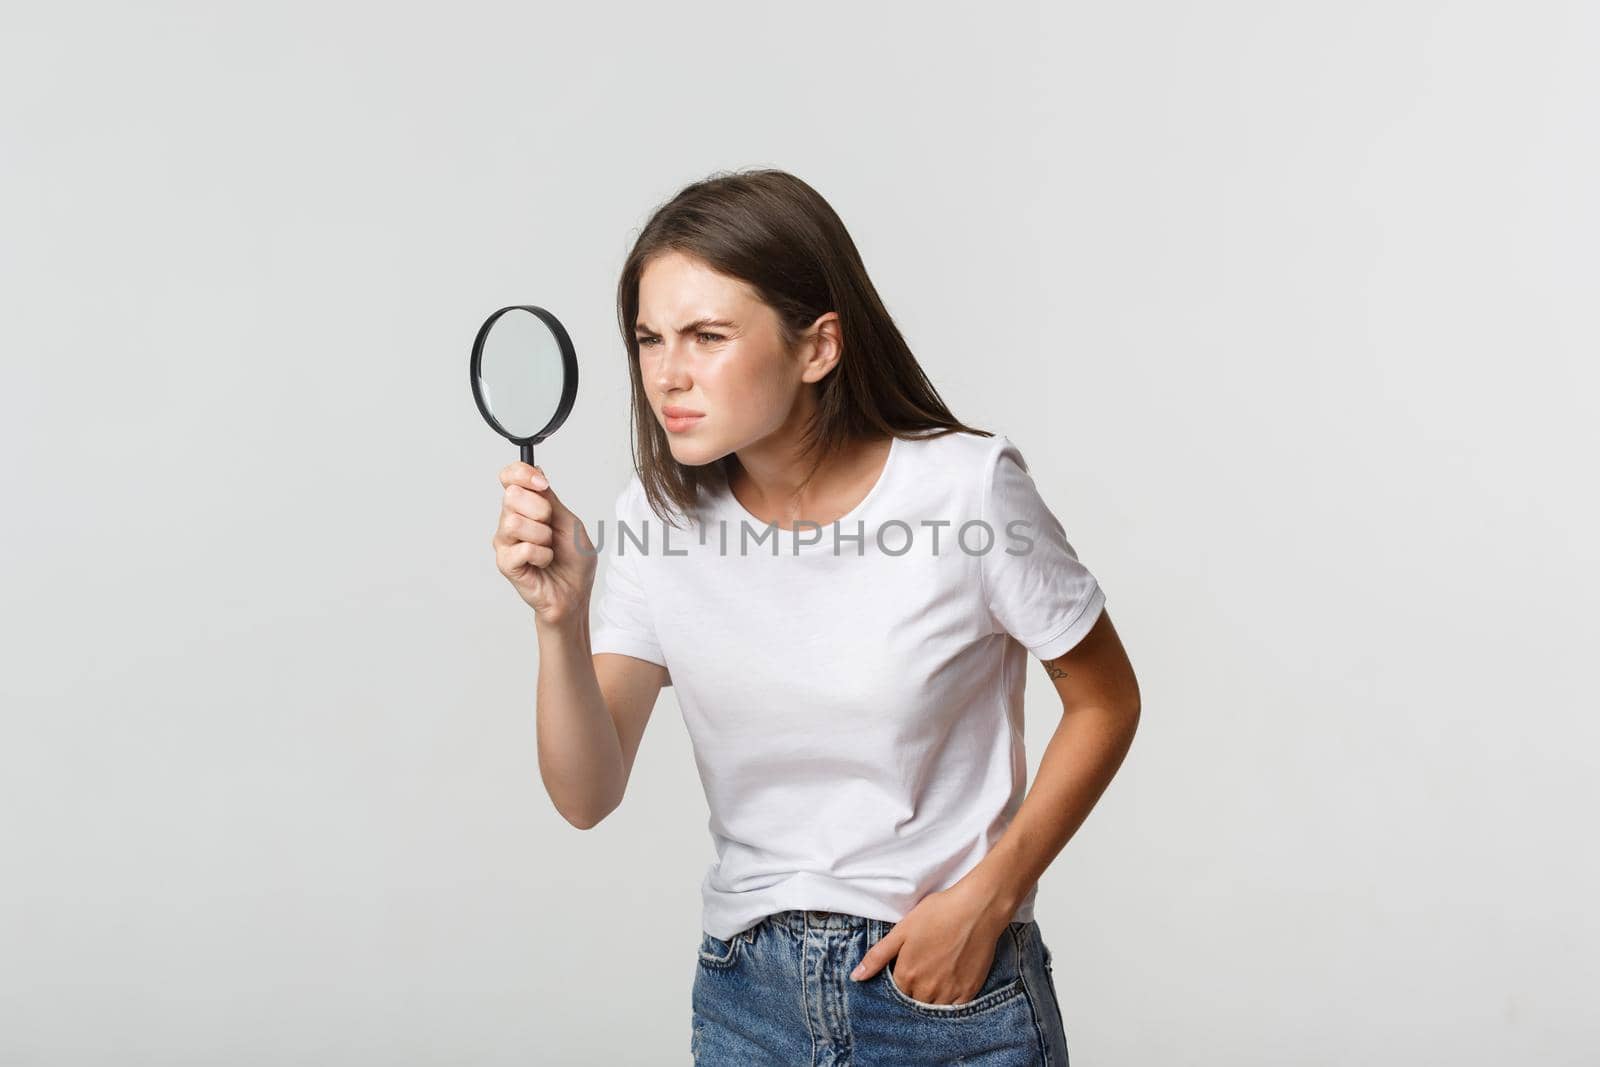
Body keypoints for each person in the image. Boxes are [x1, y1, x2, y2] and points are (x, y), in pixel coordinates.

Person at [491, 169, 1141, 1066]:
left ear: (819, 346)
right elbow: (586, 795)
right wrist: (557, 624)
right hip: (746, 1001)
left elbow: (1107, 700)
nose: (667, 374)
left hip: (945, 993)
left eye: (707, 336)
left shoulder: (966, 489)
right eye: (648, 338)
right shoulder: (652, 517)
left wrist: (992, 896)